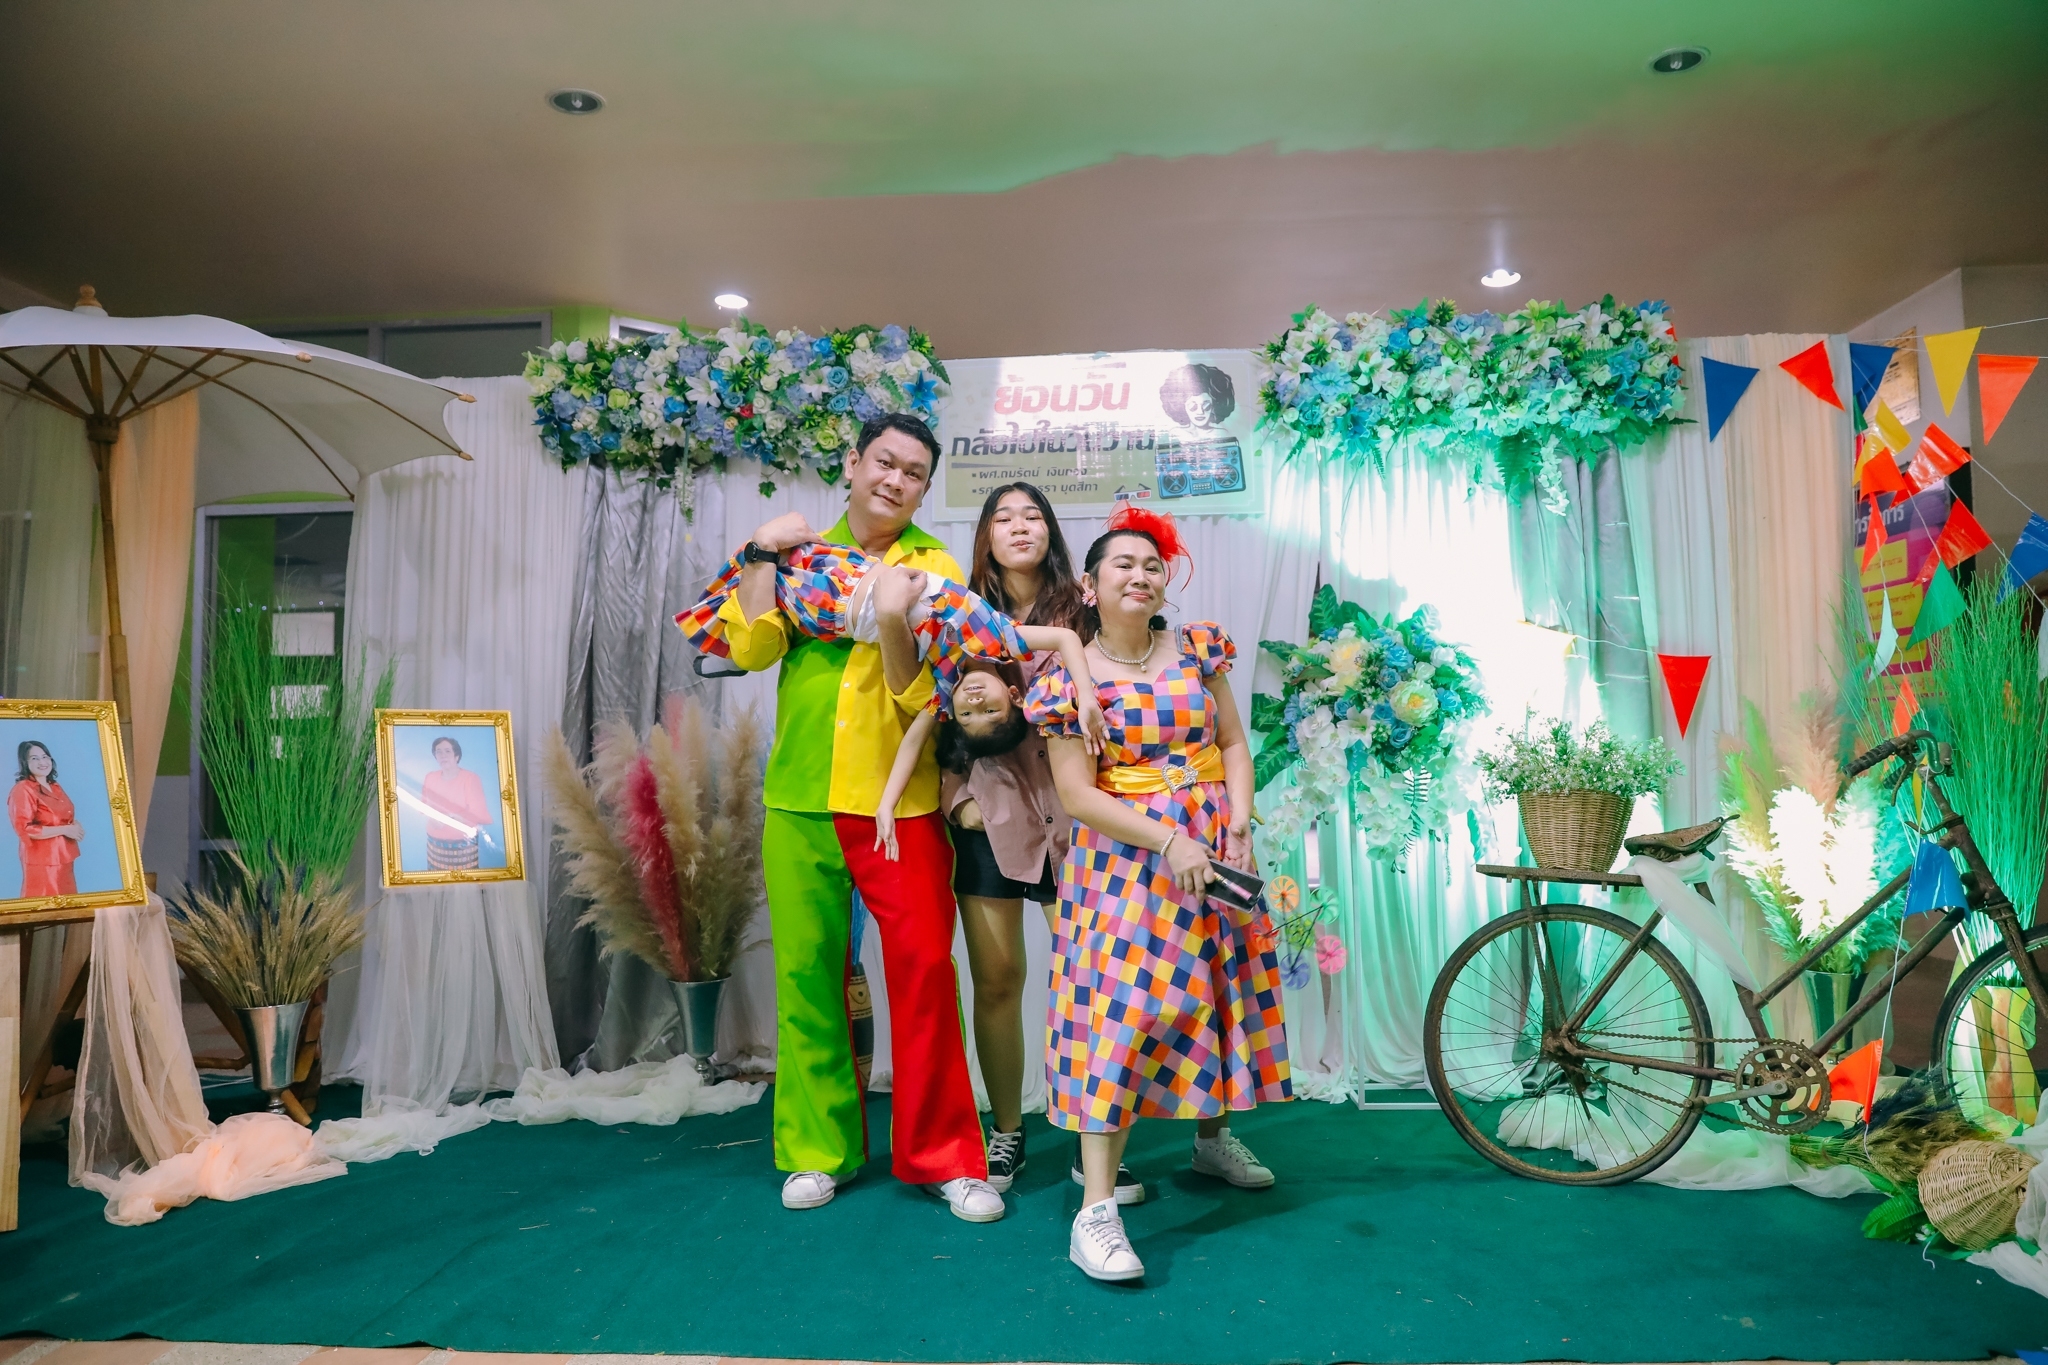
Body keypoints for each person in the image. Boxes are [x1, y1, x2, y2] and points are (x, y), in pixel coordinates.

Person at [690, 412, 1002, 1223]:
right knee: (807, 973)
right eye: (885, 463)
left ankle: (946, 1156)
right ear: (854, 464)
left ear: (924, 491)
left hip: (903, 802)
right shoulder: (798, 555)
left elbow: (929, 694)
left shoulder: (934, 569)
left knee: (925, 972)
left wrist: (894, 615)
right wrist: (760, 551)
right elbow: (751, 649)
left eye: (914, 473)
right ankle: (817, 1148)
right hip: (800, 796)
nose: (895, 480)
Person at [1025, 503, 1290, 1282]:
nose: (1140, 575)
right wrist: (1167, 839)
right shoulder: (1067, 679)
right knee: (1121, 1015)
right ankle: (1095, 1211)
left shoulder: (1199, 648)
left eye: (1152, 565)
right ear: (1089, 584)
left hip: (1213, 849)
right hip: (1124, 867)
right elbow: (1076, 793)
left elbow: (1231, 741)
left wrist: (1236, 819)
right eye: (1123, 564)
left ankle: (1211, 1140)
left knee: (1216, 988)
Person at [931, 481, 1143, 1205]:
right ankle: (1007, 1128)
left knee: (1088, 982)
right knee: (996, 979)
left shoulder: (1084, 610)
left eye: (1032, 516)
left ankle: (1094, 1140)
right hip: (989, 818)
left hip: (1077, 821)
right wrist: (955, 801)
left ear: (1050, 531)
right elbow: (934, 716)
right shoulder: (960, 615)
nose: (1019, 527)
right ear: (985, 535)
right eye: (1003, 517)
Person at [8, 740, 83, 899]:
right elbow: (25, 829)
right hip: (43, 861)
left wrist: (74, 825)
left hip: (64, 856)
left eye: (45, 756)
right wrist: (65, 829)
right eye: (34, 758)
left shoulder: (54, 786)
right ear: (25, 763)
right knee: (44, 904)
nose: (42, 762)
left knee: (68, 905)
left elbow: (62, 815)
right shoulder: (23, 789)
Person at [420, 735, 493, 871]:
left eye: (447, 751)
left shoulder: (470, 779)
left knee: (465, 882)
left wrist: (453, 818)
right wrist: (432, 817)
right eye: (439, 752)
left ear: (457, 756)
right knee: (436, 881)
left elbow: (478, 813)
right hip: (435, 845)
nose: (443, 755)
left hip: (462, 845)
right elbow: (424, 805)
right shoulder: (430, 777)